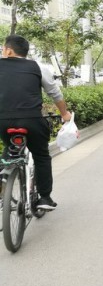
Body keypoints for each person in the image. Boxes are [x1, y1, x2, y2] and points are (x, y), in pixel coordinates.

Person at [0, 35, 72, 210]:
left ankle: (3, 185)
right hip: (32, 120)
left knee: (8, 151)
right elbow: (55, 94)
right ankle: (45, 198)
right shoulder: (38, 67)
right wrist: (65, 115)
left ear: (9, 50)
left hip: (2, 120)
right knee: (41, 156)